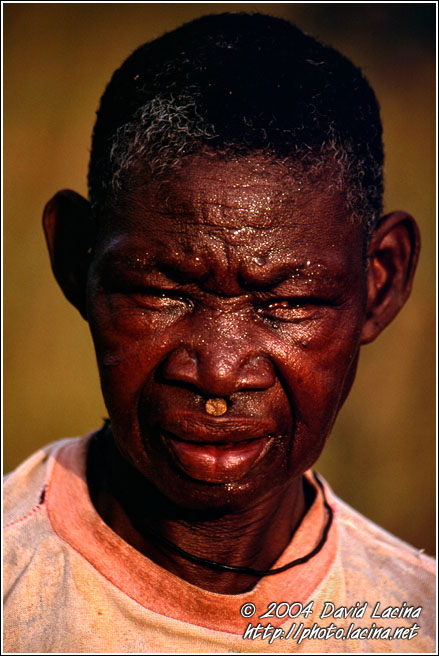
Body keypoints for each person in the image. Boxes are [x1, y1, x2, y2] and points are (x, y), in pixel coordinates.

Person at [3, 13, 435, 653]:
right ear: (77, 260)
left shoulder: (409, 621)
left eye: (287, 302)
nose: (218, 372)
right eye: (161, 292)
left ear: (380, 282)